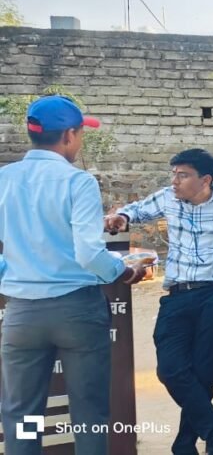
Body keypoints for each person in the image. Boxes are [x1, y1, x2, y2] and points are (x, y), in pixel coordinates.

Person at [0, 96, 146, 455]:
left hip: (22, 315)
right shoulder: (77, 182)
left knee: (23, 414)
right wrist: (122, 270)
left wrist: (13, 271)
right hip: (76, 312)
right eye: (80, 133)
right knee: (88, 412)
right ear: (68, 135)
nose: (79, 141)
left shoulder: (4, 179)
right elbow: (88, 253)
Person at [104, 147, 213, 454]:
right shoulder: (168, 198)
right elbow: (137, 209)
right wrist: (122, 216)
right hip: (178, 296)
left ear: (205, 179)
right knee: (170, 369)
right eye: (174, 174)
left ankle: (185, 446)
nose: (175, 181)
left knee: (203, 373)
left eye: (183, 175)